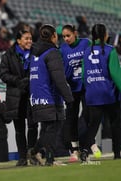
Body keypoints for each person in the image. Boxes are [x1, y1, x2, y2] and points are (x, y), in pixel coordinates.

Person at [28, 24, 74, 166]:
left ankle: (35, 152)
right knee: (53, 128)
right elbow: (59, 79)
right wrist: (69, 98)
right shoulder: (52, 52)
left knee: (47, 129)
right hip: (50, 97)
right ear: (53, 36)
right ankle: (49, 159)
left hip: (36, 97)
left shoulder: (34, 52)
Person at [80, 23, 121, 161]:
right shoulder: (111, 50)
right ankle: (117, 154)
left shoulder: (86, 51)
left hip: (92, 94)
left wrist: (90, 88)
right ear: (105, 35)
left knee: (93, 126)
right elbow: (115, 74)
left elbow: (83, 75)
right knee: (115, 123)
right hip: (108, 94)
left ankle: (84, 152)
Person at [0, 29, 38, 166]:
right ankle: (22, 157)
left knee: (33, 126)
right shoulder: (8, 55)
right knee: (19, 129)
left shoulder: (36, 52)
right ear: (18, 40)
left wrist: (29, 80)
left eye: (30, 38)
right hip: (16, 97)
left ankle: (32, 155)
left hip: (32, 94)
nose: (29, 41)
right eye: (26, 38)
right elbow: (3, 74)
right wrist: (17, 81)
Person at [60, 24, 91, 162]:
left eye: (68, 35)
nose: (66, 39)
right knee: (71, 118)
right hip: (71, 88)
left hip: (85, 87)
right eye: (64, 36)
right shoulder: (62, 48)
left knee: (88, 116)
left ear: (75, 33)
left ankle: (88, 144)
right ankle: (74, 148)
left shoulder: (86, 43)